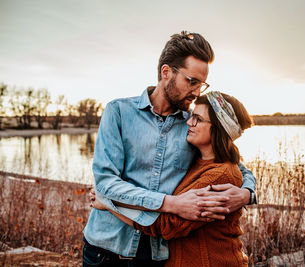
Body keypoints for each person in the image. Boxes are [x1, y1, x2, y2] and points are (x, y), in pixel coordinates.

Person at [82, 31, 257, 266]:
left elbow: (232, 166)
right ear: (167, 72)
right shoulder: (118, 112)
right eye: (191, 81)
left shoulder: (191, 126)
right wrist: (171, 203)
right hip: (105, 249)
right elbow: (105, 183)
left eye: (201, 85)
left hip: (155, 255)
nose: (196, 92)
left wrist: (247, 193)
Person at [91, 91, 252, 266]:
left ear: (219, 128)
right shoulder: (197, 160)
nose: (189, 122)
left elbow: (164, 225)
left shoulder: (220, 175)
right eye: (191, 116)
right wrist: (248, 193)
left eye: (197, 119)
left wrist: (108, 203)